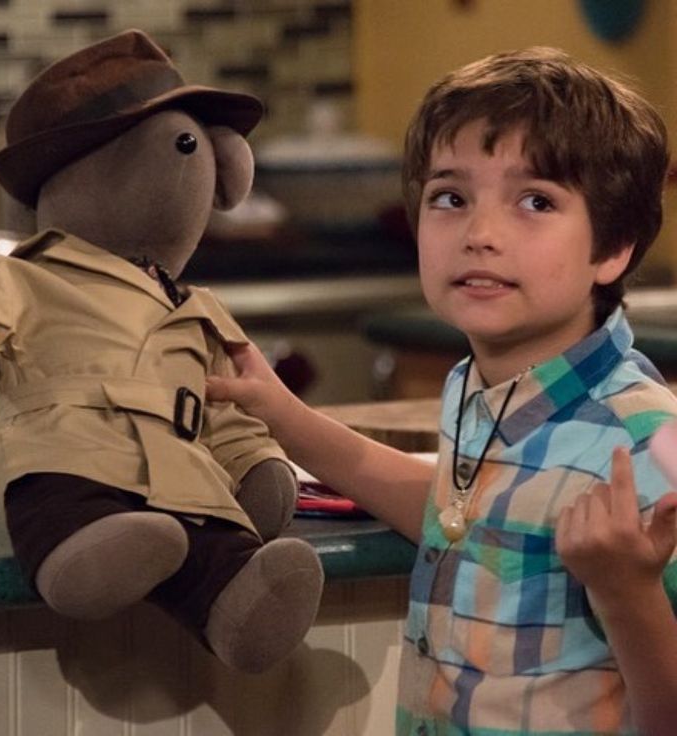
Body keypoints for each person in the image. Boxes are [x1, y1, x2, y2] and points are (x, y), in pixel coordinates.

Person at [207, 46, 677, 735]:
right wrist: (286, 417)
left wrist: (627, 591)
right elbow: (460, 517)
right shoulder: (481, 387)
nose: (480, 234)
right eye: (451, 198)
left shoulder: (645, 445)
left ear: (614, 249)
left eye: (536, 201)